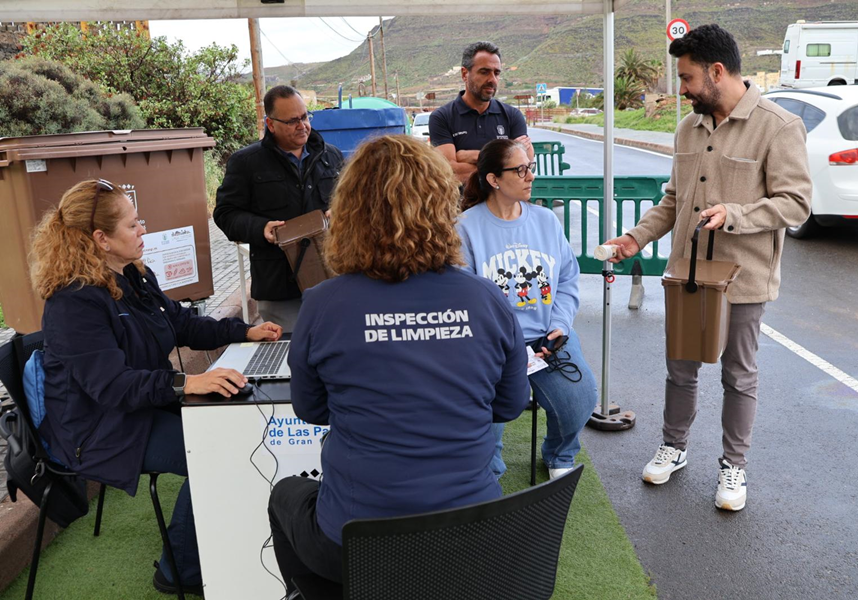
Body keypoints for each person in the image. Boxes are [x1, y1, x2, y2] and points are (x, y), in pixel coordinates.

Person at [268, 136, 529, 591]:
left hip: (357, 539)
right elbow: (509, 406)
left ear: (349, 212)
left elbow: (311, 409)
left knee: (285, 495)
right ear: (442, 207)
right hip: (473, 537)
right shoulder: (486, 298)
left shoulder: (323, 303)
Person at [30, 179, 283, 595]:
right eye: (133, 225)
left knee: (230, 429)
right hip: (100, 429)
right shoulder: (73, 302)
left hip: (141, 405)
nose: (143, 230)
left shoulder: (132, 276)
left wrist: (244, 332)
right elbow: (112, 387)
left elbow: (180, 324)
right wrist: (188, 382)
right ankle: (177, 571)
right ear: (101, 239)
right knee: (214, 450)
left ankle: (220, 534)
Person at [604, 24, 812, 511]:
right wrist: (633, 238)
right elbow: (673, 201)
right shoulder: (686, 127)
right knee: (680, 370)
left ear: (717, 72)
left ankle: (733, 467)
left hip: (743, 280)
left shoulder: (778, 126)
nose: (682, 89)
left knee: (739, 376)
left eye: (688, 77)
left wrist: (734, 214)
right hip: (687, 277)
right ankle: (674, 448)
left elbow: (796, 204)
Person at [456, 138, 597, 481]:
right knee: (485, 430)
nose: (530, 176)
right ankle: (487, 470)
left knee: (580, 400)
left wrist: (561, 325)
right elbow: (462, 298)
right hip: (493, 347)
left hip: (549, 338)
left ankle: (560, 453)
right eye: (520, 170)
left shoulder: (546, 221)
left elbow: (566, 280)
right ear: (493, 179)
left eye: (530, 168)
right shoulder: (465, 228)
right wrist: (505, 345)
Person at [214, 85, 344, 332]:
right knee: (291, 358)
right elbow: (225, 214)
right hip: (280, 288)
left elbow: (353, 203)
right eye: (292, 121)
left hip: (332, 280)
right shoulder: (246, 163)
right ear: (270, 124)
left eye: (305, 117)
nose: (302, 125)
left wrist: (341, 213)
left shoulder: (332, 156)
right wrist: (260, 227)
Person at [429, 41, 534, 184]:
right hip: (461, 205)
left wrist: (469, 156)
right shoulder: (442, 117)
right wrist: (507, 161)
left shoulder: (512, 115)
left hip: (504, 203)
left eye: (496, 73)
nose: (492, 79)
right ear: (465, 74)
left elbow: (525, 165)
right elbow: (449, 171)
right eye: (484, 72)